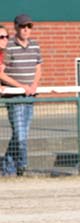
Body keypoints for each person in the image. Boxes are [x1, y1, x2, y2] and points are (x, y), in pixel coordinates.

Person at [0, 14, 42, 177]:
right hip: (15, 97)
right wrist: (21, 86)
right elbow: (2, 73)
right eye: (23, 27)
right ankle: (22, 164)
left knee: (22, 133)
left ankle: (8, 167)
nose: (26, 30)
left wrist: (33, 85)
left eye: (29, 27)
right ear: (16, 28)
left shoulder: (35, 46)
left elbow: (38, 68)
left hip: (30, 96)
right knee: (20, 134)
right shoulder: (8, 47)